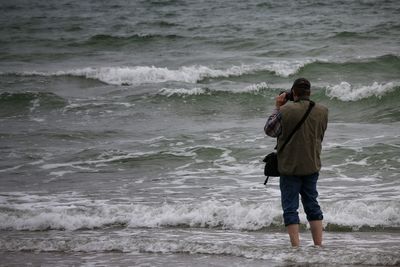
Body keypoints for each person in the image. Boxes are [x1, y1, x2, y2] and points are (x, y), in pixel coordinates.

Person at [264, 78, 328, 247]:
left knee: (290, 208)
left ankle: (296, 247)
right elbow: (319, 135)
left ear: (294, 93)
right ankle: (318, 245)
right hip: (311, 164)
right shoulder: (322, 111)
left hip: (289, 167)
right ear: (310, 93)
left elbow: (270, 130)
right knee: (312, 205)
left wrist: (278, 107)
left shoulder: (285, 110)